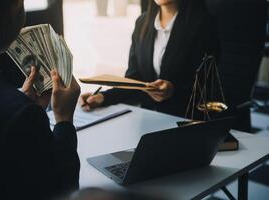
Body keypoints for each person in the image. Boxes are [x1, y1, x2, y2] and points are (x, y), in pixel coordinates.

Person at [0, 0, 80, 199]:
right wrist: (64, 120)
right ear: (11, 16)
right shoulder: (19, 114)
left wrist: (21, 102)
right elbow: (62, 189)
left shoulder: (16, 107)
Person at [80, 0, 219, 118]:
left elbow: (207, 86)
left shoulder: (203, 24)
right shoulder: (142, 23)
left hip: (185, 120)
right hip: (148, 118)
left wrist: (173, 90)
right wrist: (102, 97)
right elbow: (134, 80)